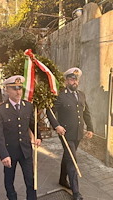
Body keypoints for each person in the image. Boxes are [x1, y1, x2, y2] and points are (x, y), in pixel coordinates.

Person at [47, 68, 94, 200]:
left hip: (78, 133)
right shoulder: (61, 96)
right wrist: (57, 126)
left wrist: (90, 128)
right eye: (72, 79)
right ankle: (76, 192)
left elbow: (86, 112)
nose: (75, 82)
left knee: (68, 156)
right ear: (66, 81)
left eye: (76, 79)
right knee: (73, 160)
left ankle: (62, 179)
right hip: (65, 133)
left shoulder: (81, 95)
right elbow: (49, 111)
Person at [0, 75, 41, 200]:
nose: (18, 91)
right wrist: (3, 154)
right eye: (14, 88)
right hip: (10, 152)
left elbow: (32, 123)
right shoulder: (0, 111)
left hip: (26, 151)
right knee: (9, 181)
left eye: (20, 88)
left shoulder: (28, 106)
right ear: (7, 90)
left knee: (31, 180)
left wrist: (38, 137)